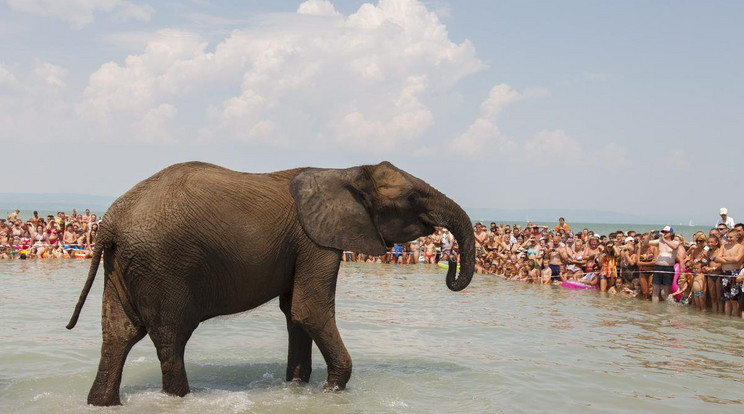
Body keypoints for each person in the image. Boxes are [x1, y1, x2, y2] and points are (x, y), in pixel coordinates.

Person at [644, 226, 680, 303]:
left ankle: (667, 311)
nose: (664, 233)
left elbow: (674, 247)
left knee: (666, 292)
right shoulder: (659, 241)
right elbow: (646, 243)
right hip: (658, 267)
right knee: (655, 291)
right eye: (663, 232)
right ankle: (655, 310)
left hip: (668, 268)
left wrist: (664, 239)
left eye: (666, 232)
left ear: (671, 234)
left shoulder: (675, 241)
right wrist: (650, 234)